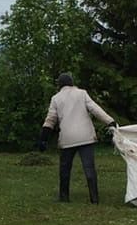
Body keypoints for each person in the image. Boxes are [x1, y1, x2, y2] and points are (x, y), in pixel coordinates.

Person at [38, 73, 115, 204]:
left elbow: (50, 120)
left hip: (67, 138)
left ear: (59, 85)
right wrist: (110, 122)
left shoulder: (56, 98)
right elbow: (95, 109)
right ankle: (94, 199)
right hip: (86, 136)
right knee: (89, 168)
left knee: (65, 169)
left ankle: (64, 197)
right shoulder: (82, 93)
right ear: (72, 82)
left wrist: (43, 139)